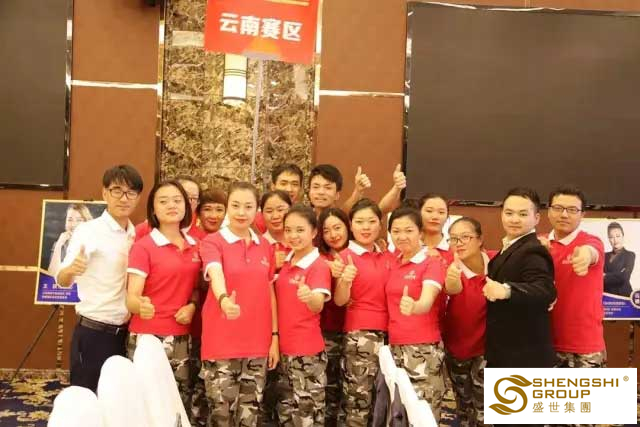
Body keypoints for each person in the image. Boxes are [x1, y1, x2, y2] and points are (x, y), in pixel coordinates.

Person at [57, 164, 144, 392]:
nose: (123, 198)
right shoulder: (88, 231)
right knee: (89, 398)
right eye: (117, 190)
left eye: (130, 192)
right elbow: (62, 280)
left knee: (119, 400)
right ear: (105, 193)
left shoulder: (137, 234)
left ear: (138, 197)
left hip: (127, 334)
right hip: (94, 333)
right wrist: (71, 269)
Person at [199, 182, 279, 426]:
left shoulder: (265, 246)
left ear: (257, 210)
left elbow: (270, 292)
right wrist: (224, 299)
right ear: (227, 208)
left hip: (257, 343)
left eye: (248, 206)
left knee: (249, 416)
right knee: (221, 415)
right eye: (235, 206)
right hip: (221, 341)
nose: (241, 212)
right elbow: (215, 272)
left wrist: (274, 336)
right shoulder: (213, 241)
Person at [125, 180, 201, 412]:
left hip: (182, 336)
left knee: (178, 403)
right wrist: (140, 306)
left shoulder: (196, 245)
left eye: (177, 200)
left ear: (186, 207)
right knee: (147, 405)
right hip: (149, 337)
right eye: (163, 201)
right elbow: (131, 297)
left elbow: (196, 288)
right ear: (153, 209)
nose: (171, 205)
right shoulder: (143, 247)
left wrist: (192, 306)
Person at [484, 187, 556, 371]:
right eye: (509, 213)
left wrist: (506, 290)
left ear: (537, 218)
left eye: (523, 214)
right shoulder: (510, 247)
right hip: (505, 352)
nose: (514, 219)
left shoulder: (533, 250)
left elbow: (545, 290)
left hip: (524, 358)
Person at [386, 206, 446, 421]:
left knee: (423, 414)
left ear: (420, 232)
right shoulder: (394, 262)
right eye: (396, 231)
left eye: (409, 230)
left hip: (422, 348)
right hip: (394, 347)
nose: (402, 236)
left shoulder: (432, 262)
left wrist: (415, 306)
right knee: (400, 415)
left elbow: (427, 301)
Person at [334, 198, 388, 427]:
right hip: (361, 336)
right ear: (351, 225)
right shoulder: (344, 257)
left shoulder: (388, 255)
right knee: (358, 400)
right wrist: (345, 280)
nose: (366, 227)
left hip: (392, 335)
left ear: (380, 224)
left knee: (383, 402)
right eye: (359, 221)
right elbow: (339, 300)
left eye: (372, 221)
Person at [275, 205, 331, 426]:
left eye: (300, 230)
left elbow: (318, 305)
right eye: (288, 230)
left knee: (307, 415)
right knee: (286, 414)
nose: (293, 235)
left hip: (306, 353)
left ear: (314, 232)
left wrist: (309, 297)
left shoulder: (318, 265)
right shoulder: (286, 262)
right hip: (283, 350)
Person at [545, 186, 606, 373]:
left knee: (589, 394)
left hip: (585, 346)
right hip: (545, 343)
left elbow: (592, 252)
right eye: (558, 208)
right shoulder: (538, 244)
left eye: (572, 210)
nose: (564, 214)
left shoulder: (591, 241)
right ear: (548, 211)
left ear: (582, 215)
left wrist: (585, 257)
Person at [443, 217, 496, 426]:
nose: (459, 243)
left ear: (480, 239)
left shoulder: (498, 261)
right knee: (464, 410)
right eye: (453, 238)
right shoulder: (448, 267)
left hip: (489, 351)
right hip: (458, 351)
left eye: (465, 237)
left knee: (487, 411)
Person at [189, 188, 227, 426]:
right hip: (193, 322)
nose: (213, 215)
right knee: (195, 382)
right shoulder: (191, 239)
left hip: (222, 324)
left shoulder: (232, 239)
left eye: (219, 209)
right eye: (208, 209)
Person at [317, 207, 351, 426]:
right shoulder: (318, 258)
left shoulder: (360, 253)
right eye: (326, 230)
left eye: (337, 228)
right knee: (329, 387)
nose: (333, 235)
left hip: (356, 330)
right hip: (327, 331)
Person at [135, 175, 201, 240]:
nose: (188, 202)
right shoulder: (142, 231)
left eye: (194, 198)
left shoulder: (200, 238)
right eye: (184, 196)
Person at [48, 204, 93, 275]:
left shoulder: (93, 243)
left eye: (79, 220)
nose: (73, 224)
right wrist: (58, 245)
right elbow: (52, 274)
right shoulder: (60, 244)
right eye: (70, 219)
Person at [261, 190, 293, 270]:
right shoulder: (257, 246)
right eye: (269, 211)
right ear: (261, 214)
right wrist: (271, 265)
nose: (275, 216)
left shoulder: (303, 242)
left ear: (291, 210)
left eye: (280, 210)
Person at [604, 221, 636, 297]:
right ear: (609, 239)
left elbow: (624, 277)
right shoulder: (604, 256)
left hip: (623, 297)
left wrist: (605, 276)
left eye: (618, 236)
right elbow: (597, 277)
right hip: (607, 297)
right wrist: (618, 274)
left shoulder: (630, 255)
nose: (615, 240)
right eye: (611, 237)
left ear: (623, 236)